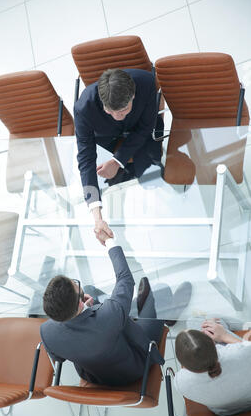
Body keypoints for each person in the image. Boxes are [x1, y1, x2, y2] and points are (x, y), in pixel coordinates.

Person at [40, 235, 189, 387]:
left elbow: (59, 358)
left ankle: (134, 305)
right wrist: (110, 242)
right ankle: (169, 316)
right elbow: (125, 278)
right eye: (75, 284)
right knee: (161, 290)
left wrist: (84, 312)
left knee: (91, 289)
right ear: (79, 303)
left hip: (96, 375)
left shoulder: (46, 331)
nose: (75, 283)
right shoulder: (108, 316)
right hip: (134, 367)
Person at [74, 68, 164, 246]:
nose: (117, 116)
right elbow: (86, 160)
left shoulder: (146, 83)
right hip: (108, 138)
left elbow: (146, 128)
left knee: (152, 180)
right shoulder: (83, 108)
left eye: (123, 110)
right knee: (113, 186)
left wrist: (117, 160)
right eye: (110, 111)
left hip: (141, 131)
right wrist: (96, 215)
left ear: (133, 96)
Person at [174, 319, 251, 416]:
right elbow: (246, 351)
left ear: (183, 364)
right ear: (213, 343)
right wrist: (224, 336)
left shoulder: (180, 382)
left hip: (224, 413)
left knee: (196, 322)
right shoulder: (240, 353)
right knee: (204, 321)